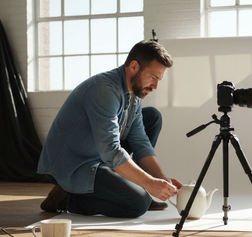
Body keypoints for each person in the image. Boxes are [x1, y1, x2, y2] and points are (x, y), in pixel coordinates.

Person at [37, 40, 182, 218]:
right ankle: (66, 199)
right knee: (138, 204)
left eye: (159, 80)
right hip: (76, 164)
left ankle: (131, 184)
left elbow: (140, 142)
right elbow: (111, 151)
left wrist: (161, 179)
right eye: (153, 77)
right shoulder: (104, 90)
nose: (155, 86)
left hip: (100, 156)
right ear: (134, 66)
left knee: (152, 117)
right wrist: (149, 183)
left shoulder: (134, 94)